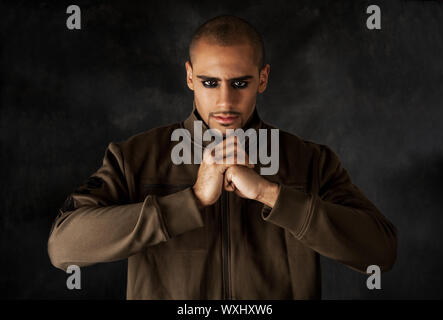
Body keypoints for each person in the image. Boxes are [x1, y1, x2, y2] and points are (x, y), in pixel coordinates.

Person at [48, 15, 397, 299]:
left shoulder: (311, 161)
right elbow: (63, 247)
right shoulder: (135, 158)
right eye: (210, 83)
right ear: (189, 77)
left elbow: (380, 253)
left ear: (263, 78)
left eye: (240, 83)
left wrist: (270, 194)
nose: (226, 102)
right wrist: (192, 200)